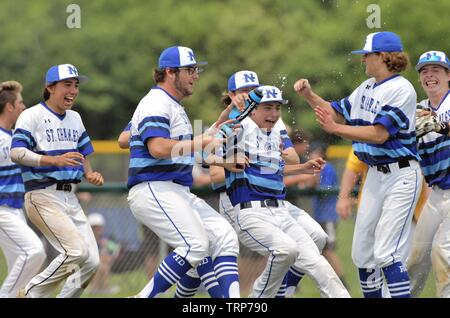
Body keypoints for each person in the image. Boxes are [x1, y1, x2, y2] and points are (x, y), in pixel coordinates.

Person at [294, 31, 422, 298]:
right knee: (362, 254)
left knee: (386, 252)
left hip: (401, 175)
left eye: (367, 55)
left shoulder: (401, 88)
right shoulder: (366, 87)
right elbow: (336, 112)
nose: (363, 59)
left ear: (384, 56)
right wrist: (309, 95)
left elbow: (379, 133)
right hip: (374, 175)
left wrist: (336, 127)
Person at [126, 46, 242, 298]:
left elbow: (189, 150)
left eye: (196, 69)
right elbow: (157, 147)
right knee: (195, 245)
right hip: (153, 186)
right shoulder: (156, 101)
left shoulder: (173, 105)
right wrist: (200, 141)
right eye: (190, 70)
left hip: (175, 189)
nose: (196, 75)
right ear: (169, 72)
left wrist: (219, 125)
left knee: (224, 236)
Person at [225, 84, 350, 298]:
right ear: (252, 108)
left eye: (277, 108)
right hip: (251, 211)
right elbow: (204, 157)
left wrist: (301, 167)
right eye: (267, 108)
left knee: (318, 260)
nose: (274, 113)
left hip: (280, 209)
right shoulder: (238, 126)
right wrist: (226, 159)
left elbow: (275, 166)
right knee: (286, 250)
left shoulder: (271, 134)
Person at [11, 64, 104, 298]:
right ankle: (30, 294)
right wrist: (53, 161)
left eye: (76, 85)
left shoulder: (75, 117)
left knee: (91, 261)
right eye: (66, 85)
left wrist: (89, 173)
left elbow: (81, 155)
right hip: (42, 195)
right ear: (49, 87)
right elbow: (16, 153)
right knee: (76, 252)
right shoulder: (32, 115)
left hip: (70, 197)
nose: (73, 90)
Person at [407, 50, 450, 298]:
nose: (429, 74)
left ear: (448, 75)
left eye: (435, 69)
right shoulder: (417, 109)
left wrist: (439, 124)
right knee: (416, 258)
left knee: (442, 252)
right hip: (436, 194)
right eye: (424, 70)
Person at [0, 81, 46, 298]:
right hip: (2, 209)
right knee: (34, 252)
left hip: (16, 208)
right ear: (9, 107)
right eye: (20, 102)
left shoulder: (14, 138)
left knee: (21, 265)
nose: (23, 107)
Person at [87, 213, 121, 294]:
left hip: (105, 262)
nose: (97, 230)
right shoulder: (87, 240)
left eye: (99, 227)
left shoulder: (105, 239)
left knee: (103, 264)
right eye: (94, 227)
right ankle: (98, 288)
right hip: (89, 264)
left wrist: (107, 247)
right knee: (99, 264)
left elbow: (116, 250)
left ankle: (102, 288)